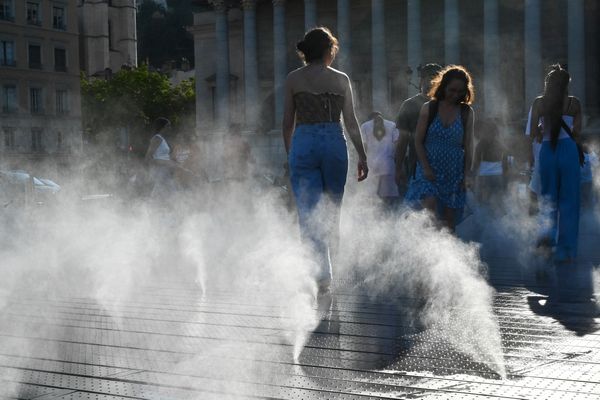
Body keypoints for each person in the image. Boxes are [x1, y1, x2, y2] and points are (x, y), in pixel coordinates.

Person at [282, 27, 368, 293]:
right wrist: (362, 156)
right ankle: (333, 267)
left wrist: (291, 154)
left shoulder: (293, 79)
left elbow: (287, 123)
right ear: (329, 50)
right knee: (332, 209)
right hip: (333, 139)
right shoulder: (341, 79)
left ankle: (322, 273)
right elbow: (351, 122)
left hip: (304, 141)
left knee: (308, 212)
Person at [404, 65, 475, 232]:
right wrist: (426, 168)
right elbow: (418, 141)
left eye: (460, 91)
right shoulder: (429, 108)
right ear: (443, 86)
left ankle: (448, 255)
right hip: (429, 169)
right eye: (452, 90)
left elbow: (469, 146)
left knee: (449, 223)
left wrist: (466, 175)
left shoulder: (466, 112)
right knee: (429, 212)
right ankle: (428, 253)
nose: (455, 95)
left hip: (454, 171)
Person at [529, 64, 582, 266]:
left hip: (548, 152)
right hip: (568, 151)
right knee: (569, 202)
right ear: (567, 83)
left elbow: (534, 132)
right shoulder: (574, 103)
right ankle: (566, 251)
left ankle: (546, 244)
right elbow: (577, 133)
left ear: (548, 83)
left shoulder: (539, 103)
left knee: (547, 200)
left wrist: (543, 128)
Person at [395, 63, 442, 190]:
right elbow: (402, 141)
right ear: (421, 80)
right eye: (429, 78)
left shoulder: (448, 106)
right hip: (417, 165)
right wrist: (399, 168)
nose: (432, 82)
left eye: (436, 78)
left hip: (444, 164)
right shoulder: (409, 105)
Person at [360, 111, 400, 207]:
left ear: (370, 119)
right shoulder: (392, 125)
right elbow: (397, 146)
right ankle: (389, 220)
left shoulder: (365, 126)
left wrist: (361, 163)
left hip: (371, 167)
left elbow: (363, 147)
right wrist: (399, 166)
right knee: (388, 202)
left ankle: (374, 220)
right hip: (388, 166)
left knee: (372, 199)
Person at [473, 118, 507, 211]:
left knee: (484, 200)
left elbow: (476, 161)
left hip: (485, 175)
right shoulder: (499, 144)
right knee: (497, 200)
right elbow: (505, 162)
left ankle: (485, 217)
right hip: (496, 175)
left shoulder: (481, 144)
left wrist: (474, 174)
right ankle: (495, 217)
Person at [144, 117, 181, 199]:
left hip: (164, 171)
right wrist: (166, 162)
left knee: (167, 194)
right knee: (170, 195)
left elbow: (162, 155)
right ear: (162, 127)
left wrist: (172, 160)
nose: (170, 128)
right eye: (168, 126)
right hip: (159, 171)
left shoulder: (162, 139)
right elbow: (148, 159)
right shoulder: (157, 138)